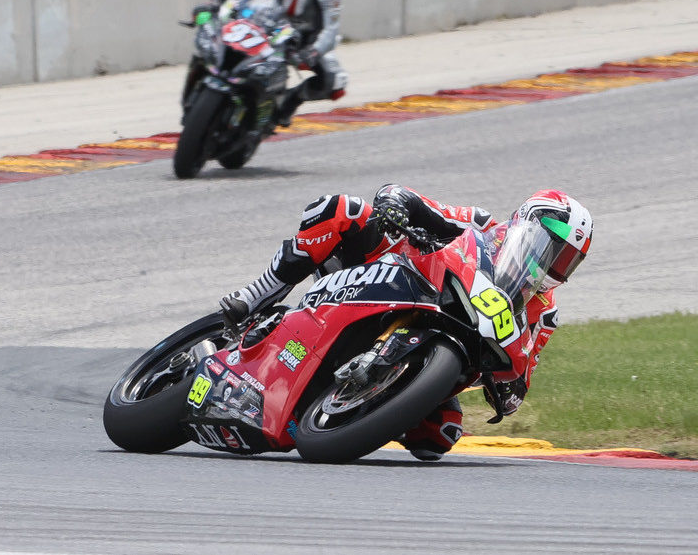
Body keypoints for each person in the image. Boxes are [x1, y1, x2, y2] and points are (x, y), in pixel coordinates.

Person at [218, 185, 593, 461]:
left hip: (443, 343)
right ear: (525, 225)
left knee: (440, 436)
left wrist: (509, 393)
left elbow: (524, 372)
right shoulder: (479, 225)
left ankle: (370, 405)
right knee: (340, 210)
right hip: (385, 280)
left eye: (566, 262)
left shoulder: (543, 312)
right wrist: (394, 205)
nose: (553, 266)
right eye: (552, 250)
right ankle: (254, 297)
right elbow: (411, 199)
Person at [194, 0, 347, 127]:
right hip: (266, 18)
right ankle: (203, 77)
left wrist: (314, 52)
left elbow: (330, 30)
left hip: (305, 37)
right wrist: (215, 2)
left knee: (335, 82)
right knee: (213, 28)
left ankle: (289, 103)